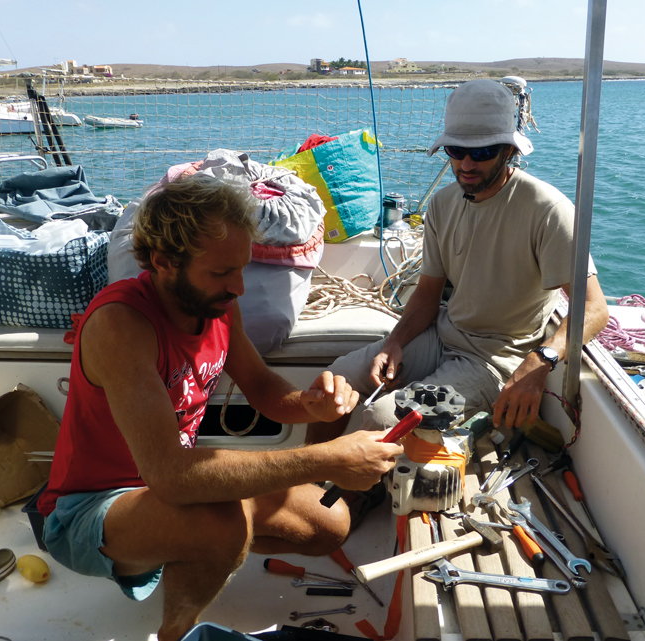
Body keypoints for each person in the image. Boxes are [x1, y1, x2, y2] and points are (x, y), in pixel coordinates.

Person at [37, 174, 403, 641]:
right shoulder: (121, 325)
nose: (239, 288)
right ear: (164, 262)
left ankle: (188, 543)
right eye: (221, 273)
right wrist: (330, 458)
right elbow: (170, 475)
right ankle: (177, 631)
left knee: (328, 525)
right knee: (221, 521)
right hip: (89, 511)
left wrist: (315, 406)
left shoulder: (215, 304)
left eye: (242, 268)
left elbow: (266, 391)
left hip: (166, 491)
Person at [307, 78, 609, 444]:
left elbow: (594, 308)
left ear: (508, 151)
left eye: (481, 153)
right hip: (440, 335)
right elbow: (428, 292)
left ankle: (337, 499)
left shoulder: (548, 210)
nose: (466, 164)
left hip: (491, 362)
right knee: (331, 385)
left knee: (380, 418)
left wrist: (540, 362)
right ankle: (309, 480)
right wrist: (395, 342)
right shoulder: (442, 204)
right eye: (455, 150)